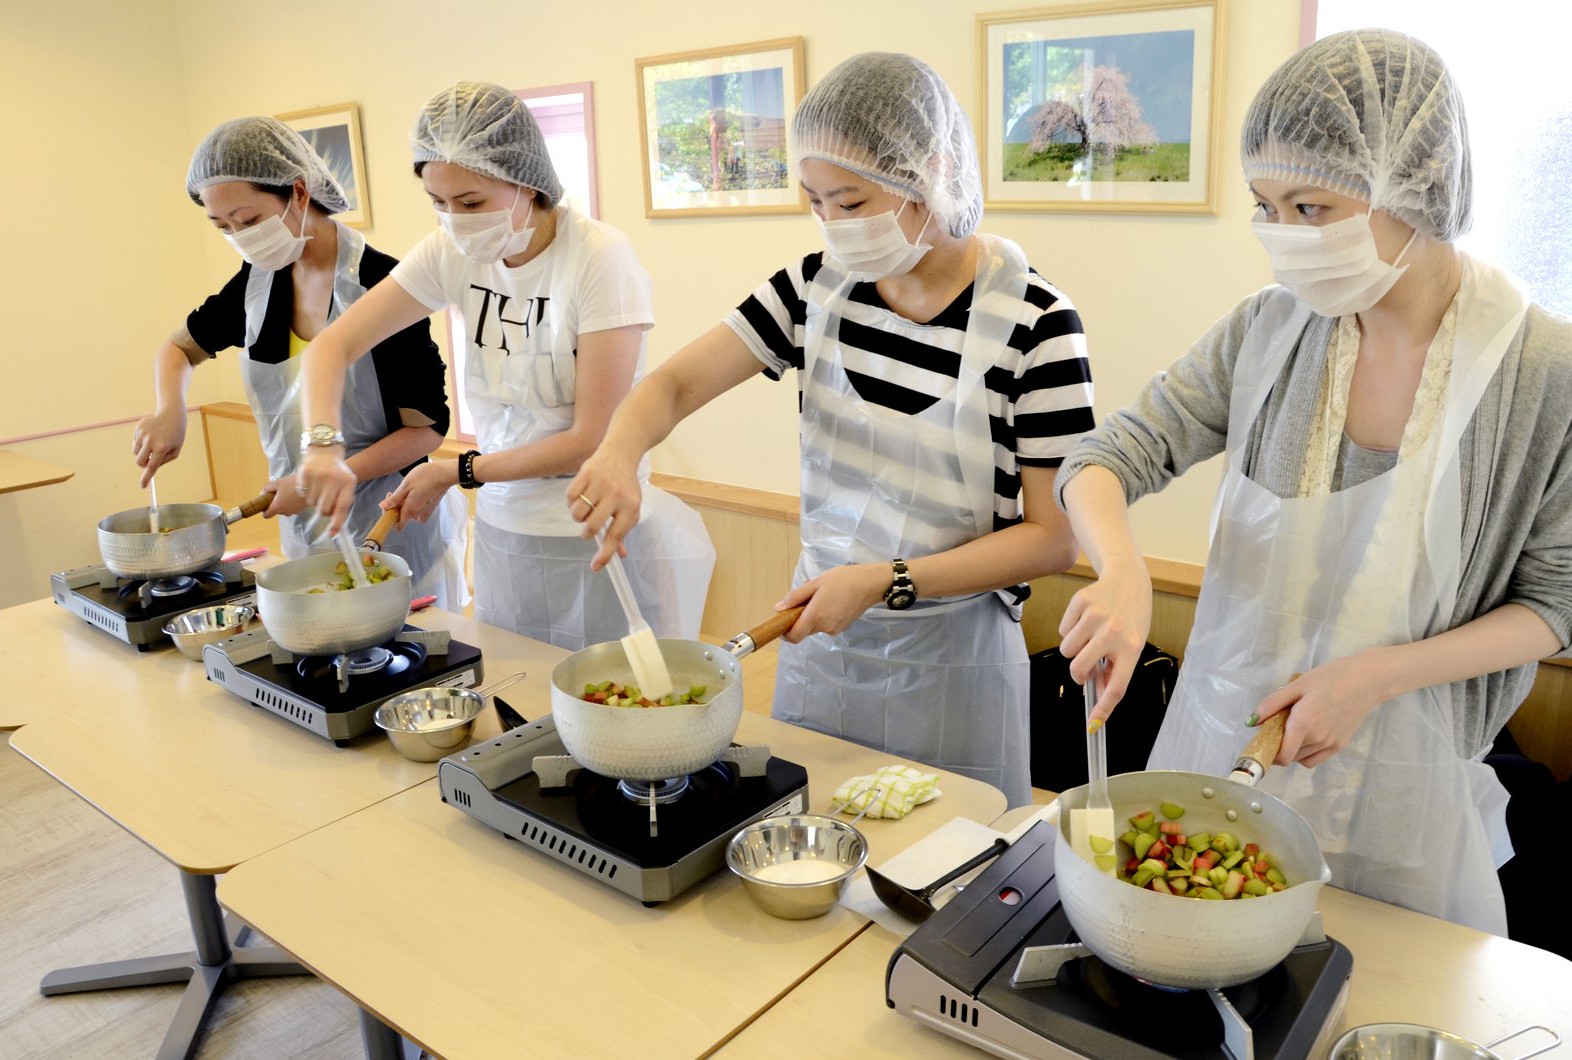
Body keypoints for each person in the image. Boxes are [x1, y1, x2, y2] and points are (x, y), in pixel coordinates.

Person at [1054, 29, 1572, 935]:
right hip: (1227, 764)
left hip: (1411, 801)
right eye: (1266, 207)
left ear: (1419, 181)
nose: (1283, 238)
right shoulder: (1268, 331)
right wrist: (1121, 570)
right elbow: (1107, 457)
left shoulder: (1543, 374)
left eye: (1311, 206)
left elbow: (1558, 601)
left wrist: (1374, 675)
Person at [569, 53, 1093, 807]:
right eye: (815, 201)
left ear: (934, 173)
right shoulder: (815, 287)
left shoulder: (1036, 322)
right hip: (818, 633)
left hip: (951, 656)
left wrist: (889, 580)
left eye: (850, 202)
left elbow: (1054, 537)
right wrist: (620, 451)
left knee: (947, 875)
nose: (831, 225)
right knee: (813, 841)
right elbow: (674, 384)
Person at [295, 82, 715, 650]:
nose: (454, 221)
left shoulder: (597, 258)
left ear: (528, 182)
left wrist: (456, 471)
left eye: (470, 203)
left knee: (611, 703)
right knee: (518, 692)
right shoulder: (450, 251)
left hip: (595, 527)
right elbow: (330, 347)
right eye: (438, 204)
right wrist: (323, 446)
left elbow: (592, 437)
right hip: (503, 528)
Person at [133, 116, 468, 609]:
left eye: (247, 221)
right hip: (300, 519)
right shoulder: (256, 283)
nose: (238, 237)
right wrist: (171, 409)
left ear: (298, 192)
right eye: (222, 226)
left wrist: (325, 479)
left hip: (392, 524)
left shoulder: (382, 284)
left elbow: (425, 431)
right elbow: (180, 349)